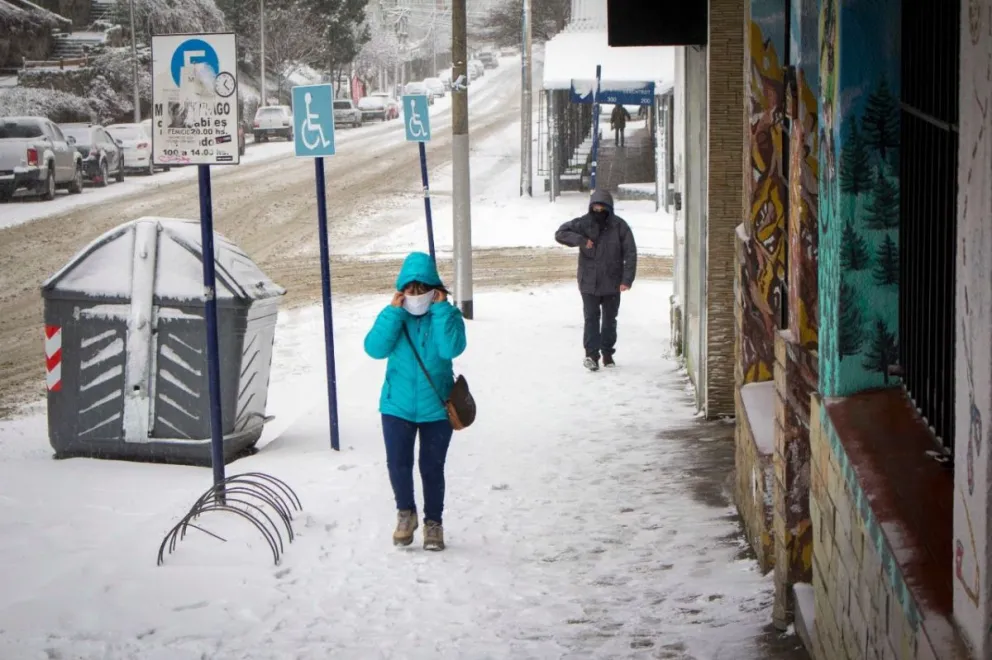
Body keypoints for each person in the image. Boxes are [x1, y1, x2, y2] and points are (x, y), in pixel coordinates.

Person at [364, 252, 467, 551]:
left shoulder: (447, 315)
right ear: (401, 290)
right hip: (397, 407)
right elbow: (374, 349)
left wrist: (442, 311)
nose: (416, 295)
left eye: (422, 289)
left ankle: (433, 524)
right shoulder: (395, 317)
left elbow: (451, 349)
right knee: (398, 464)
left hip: (437, 408)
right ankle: (405, 514)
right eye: (410, 289)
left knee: (432, 468)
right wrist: (393, 313)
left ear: (434, 288)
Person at [554, 190, 637, 371]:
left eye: (602, 206)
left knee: (609, 319)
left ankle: (607, 354)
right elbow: (560, 233)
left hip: (612, 282)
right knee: (591, 319)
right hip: (588, 282)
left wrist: (627, 280)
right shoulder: (583, 223)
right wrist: (581, 240)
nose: (598, 209)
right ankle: (591, 355)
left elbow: (630, 254)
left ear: (609, 207)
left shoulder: (620, 226)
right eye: (595, 206)